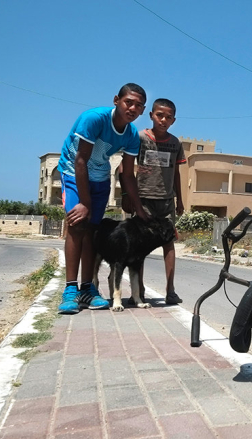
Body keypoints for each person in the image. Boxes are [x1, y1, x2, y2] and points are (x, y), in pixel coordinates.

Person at [57, 83, 149, 314]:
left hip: (99, 176)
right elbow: (80, 161)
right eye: (129, 102)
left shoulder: (131, 136)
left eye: (138, 105)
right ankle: (70, 289)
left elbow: (127, 175)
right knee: (77, 226)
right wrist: (84, 203)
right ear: (117, 100)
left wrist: (139, 208)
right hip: (73, 171)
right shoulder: (94, 119)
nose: (132, 108)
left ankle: (87, 288)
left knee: (92, 232)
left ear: (142, 109)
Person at [121, 98, 185, 305]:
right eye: (160, 115)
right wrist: (126, 196)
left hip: (166, 202)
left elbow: (176, 173)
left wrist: (180, 200)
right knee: (138, 247)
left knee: (169, 244)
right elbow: (124, 168)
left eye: (168, 117)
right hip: (143, 201)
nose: (163, 120)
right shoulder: (138, 137)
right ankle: (137, 291)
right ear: (151, 115)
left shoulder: (176, 144)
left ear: (173, 120)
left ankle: (171, 290)